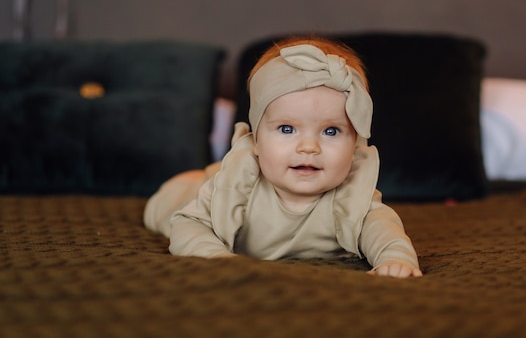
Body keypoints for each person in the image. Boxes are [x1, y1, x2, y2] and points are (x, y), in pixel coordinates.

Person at [144, 37, 422, 278]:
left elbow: (386, 233)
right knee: (168, 206)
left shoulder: (353, 198)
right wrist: (215, 257)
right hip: (206, 188)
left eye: (331, 130)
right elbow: (187, 224)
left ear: (356, 144)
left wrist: (396, 259)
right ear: (255, 140)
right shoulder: (234, 190)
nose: (309, 147)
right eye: (287, 129)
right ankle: (198, 176)